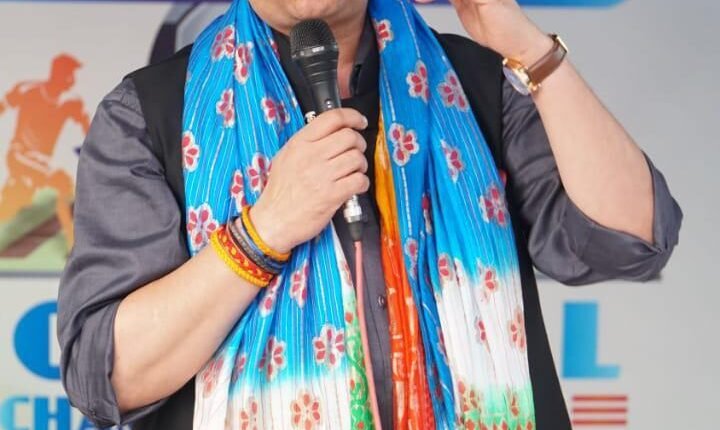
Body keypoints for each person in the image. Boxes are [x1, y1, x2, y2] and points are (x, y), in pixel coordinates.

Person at [57, 0, 682, 429]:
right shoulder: (151, 112)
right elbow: (107, 375)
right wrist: (263, 231)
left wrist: (527, 48)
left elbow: (629, 236)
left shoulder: (471, 84)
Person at [0, 54, 90, 250]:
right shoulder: (28, 89)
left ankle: (73, 246)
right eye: (69, 73)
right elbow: (3, 106)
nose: (72, 79)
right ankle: (73, 246)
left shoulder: (71, 101)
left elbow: (87, 126)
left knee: (14, 203)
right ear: (58, 74)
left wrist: (96, 147)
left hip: (42, 162)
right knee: (62, 182)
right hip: (19, 155)